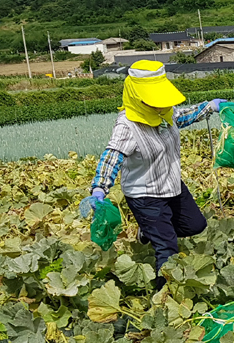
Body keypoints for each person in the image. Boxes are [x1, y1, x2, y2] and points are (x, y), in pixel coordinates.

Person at [79, 60, 224, 286]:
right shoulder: (127, 125)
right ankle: (164, 297)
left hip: (172, 185)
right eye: (154, 100)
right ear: (138, 96)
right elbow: (112, 155)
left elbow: (183, 117)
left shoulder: (165, 112)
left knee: (195, 225)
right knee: (167, 248)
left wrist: (209, 107)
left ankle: (147, 231)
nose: (160, 105)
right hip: (144, 194)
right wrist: (99, 188)